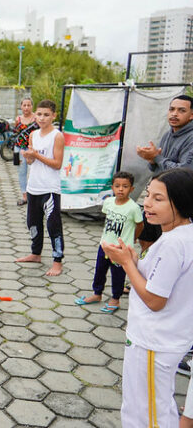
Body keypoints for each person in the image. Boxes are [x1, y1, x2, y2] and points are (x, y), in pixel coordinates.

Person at [101, 168, 193, 428]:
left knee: (149, 412)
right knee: (140, 404)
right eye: (148, 196)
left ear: (182, 201)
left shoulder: (174, 244)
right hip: (159, 338)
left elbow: (155, 300)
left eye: (158, 198)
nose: (147, 204)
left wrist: (127, 265)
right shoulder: (180, 236)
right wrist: (132, 260)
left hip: (155, 341)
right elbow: (160, 282)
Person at [74, 171, 143, 313]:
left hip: (120, 250)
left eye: (125, 186)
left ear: (132, 189)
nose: (121, 189)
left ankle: (115, 299)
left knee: (118, 275)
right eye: (117, 186)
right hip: (104, 245)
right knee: (100, 270)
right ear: (112, 187)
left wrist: (133, 238)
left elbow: (140, 225)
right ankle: (97, 294)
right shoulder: (108, 202)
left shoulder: (133, 208)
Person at [135, 95, 193, 254]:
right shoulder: (169, 134)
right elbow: (157, 168)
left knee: (169, 246)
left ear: (191, 115)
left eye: (181, 110)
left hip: (177, 202)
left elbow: (185, 171)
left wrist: (157, 158)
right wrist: (151, 159)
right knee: (145, 236)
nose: (174, 114)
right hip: (158, 196)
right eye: (172, 109)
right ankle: (146, 270)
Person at [15, 100, 65, 276]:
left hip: (50, 188)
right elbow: (31, 161)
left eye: (46, 115)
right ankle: (35, 253)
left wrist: (36, 154)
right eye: (39, 114)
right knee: (33, 223)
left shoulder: (57, 136)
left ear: (53, 116)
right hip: (33, 186)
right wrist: (28, 157)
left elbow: (57, 164)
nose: (42, 118)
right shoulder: (33, 134)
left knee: (53, 225)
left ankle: (57, 261)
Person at [12, 98, 38, 206]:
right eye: (24, 105)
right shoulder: (18, 119)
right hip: (19, 148)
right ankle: (24, 196)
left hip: (32, 148)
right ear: (21, 107)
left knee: (33, 172)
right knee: (21, 172)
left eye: (28, 105)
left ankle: (34, 194)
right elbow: (16, 133)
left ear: (32, 106)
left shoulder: (36, 119)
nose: (26, 108)